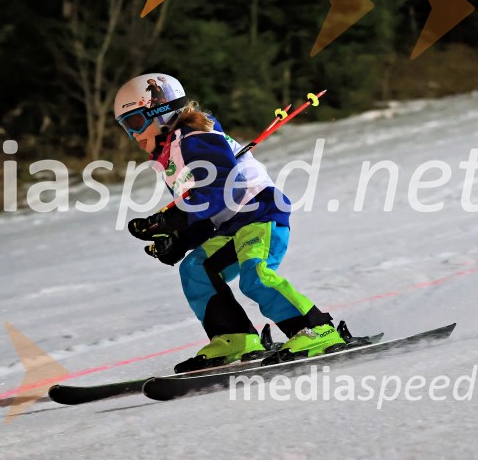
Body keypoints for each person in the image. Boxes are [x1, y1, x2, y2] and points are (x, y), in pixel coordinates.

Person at [114, 73, 347, 373]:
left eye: (134, 123)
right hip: (229, 226)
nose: (132, 135)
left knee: (255, 275)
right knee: (195, 269)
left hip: (260, 213)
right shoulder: (171, 155)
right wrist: (180, 241)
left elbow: (220, 189)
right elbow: (206, 210)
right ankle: (235, 337)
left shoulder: (196, 138)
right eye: (125, 127)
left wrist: (170, 219)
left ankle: (316, 329)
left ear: (161, 111)